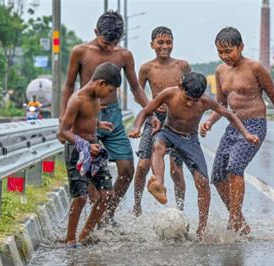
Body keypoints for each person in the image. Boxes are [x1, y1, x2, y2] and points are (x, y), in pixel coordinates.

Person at [129, 72, 259, 239]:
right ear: (181, 87)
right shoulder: (169, 94)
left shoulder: (205, 101)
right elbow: (145, 111)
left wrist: (246, 133)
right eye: (187, 97)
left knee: (203, 182)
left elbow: (229, 114)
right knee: (157, 146)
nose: (190, 103)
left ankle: (202, 228)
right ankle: (159, 184)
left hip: (190, 139)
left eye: (195, 100)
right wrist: (136, 128)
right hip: (167, 133)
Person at [60, 10, 158, 222]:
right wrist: (63, 119)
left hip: (112, 115)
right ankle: (95, 218)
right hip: (85, 116)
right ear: (96, 32)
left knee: (126, 168)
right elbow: (68, 86)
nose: (110, 48)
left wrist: (152, 111)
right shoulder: (80, 52)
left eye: (114, 43)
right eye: (106, 43)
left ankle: (107, 213)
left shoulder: (123, 55)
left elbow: (136, 89)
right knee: (89, 168)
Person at [200, 27, 274, 235]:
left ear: (241, 47)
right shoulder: (220, 71)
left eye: (228, 51)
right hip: (233, 125)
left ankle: (234, 218)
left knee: (235, 168)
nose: (225, 56)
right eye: (220, 52)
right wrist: (210, 121)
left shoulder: (255, 68)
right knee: (217, 176)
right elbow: (221, 103)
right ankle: (240, 221)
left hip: (254, 124)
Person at [59, 63, 120, 246]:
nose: (109, 95)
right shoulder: (77, 99)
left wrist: (100, 125)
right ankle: (70, 238)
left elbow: (87, 118)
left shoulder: (96, 98)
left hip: (94, 149)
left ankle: (85, 234)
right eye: (109, 90)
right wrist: (84, 144)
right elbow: (64, 130)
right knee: (81, 197)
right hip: (77, 151)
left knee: (107, 194)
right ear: (100, 83)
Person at [132, 26, 190, 216]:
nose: (165, 46)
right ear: (152, 45)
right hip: (155, 118)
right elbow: (137, 93)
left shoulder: (182, 66)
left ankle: (180, 209)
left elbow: (192, 90)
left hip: (177, 121)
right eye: (160, 42)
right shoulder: (147, 68)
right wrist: (151, 113)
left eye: (168, 42)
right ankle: (137, 206)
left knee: (176, 169)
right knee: (142, 166)